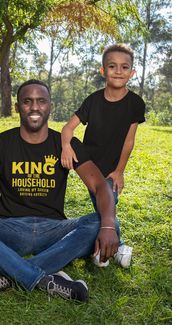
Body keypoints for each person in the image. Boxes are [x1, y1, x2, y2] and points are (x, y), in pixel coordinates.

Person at [0, 79, 120, 303]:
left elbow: (99, 186)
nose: (35, 107)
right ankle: (44, 279)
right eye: (27, 101)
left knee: (108, 222)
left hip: (55, 231)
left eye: (41, 101)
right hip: (10, 230)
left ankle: (10, 276)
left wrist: (107, 225)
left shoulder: (66, 144)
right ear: (18, 107)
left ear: (50, 106)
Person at [61, 44, 145, 267]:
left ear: (132, 72)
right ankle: (114, 247)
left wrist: (119, 171)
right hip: (89, 165)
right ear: (102, 71)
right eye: (112, 66)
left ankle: (108, 248)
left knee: (106, 205)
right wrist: (67, 147)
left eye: (124, 67)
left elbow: (129, 141)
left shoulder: (135, 103)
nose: (118, 71)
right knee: (103, 208)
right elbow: (68, 129)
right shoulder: (93, 100)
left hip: (111, 168)